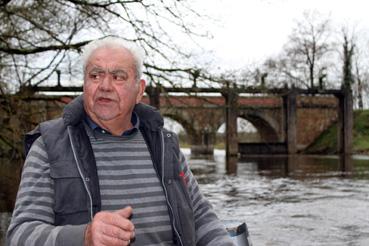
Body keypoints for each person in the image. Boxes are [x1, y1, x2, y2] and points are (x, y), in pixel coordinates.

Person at [6, 37, 235, 246]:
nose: (105, 85)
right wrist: (84, 236)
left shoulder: (166, 145)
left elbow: (201, 218)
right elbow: (21, 235)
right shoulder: (48, 146)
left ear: (139, 90)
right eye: (95, 75)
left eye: (118, 77)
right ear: (84, 84)